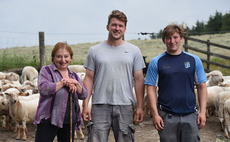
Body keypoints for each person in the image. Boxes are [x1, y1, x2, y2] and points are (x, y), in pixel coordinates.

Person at [82, 10, 146, 142]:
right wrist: (85, 105)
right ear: (107, 27)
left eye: (120, 26)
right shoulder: (95, 51)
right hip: (100, 105)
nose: (117, 28)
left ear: (125, 29)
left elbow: (139, 79)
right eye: (114, 25)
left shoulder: (134, 51)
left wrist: (140, 106)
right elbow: (88, 78)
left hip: (125, 105)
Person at [145, 24, 207, 142]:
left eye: (175, 37)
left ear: (181, 38)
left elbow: (202, 86)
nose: (172, 41)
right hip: (167, 116)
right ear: (164, 40)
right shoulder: (156, 62)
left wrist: (203, 112)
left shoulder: (194, 60)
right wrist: (155, 114)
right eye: (168, 38)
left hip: (190, 115)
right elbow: (151, 89)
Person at [34, 42, 88, 142]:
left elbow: (84, 94)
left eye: (66, 56)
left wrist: (76, 83)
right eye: (59, 56)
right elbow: (43, 88)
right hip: (49, 119)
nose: (63, 60)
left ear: (70, 58)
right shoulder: (46, 71)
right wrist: (63, 83)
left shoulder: (73, 75)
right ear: (53, 58)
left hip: (69, 120)